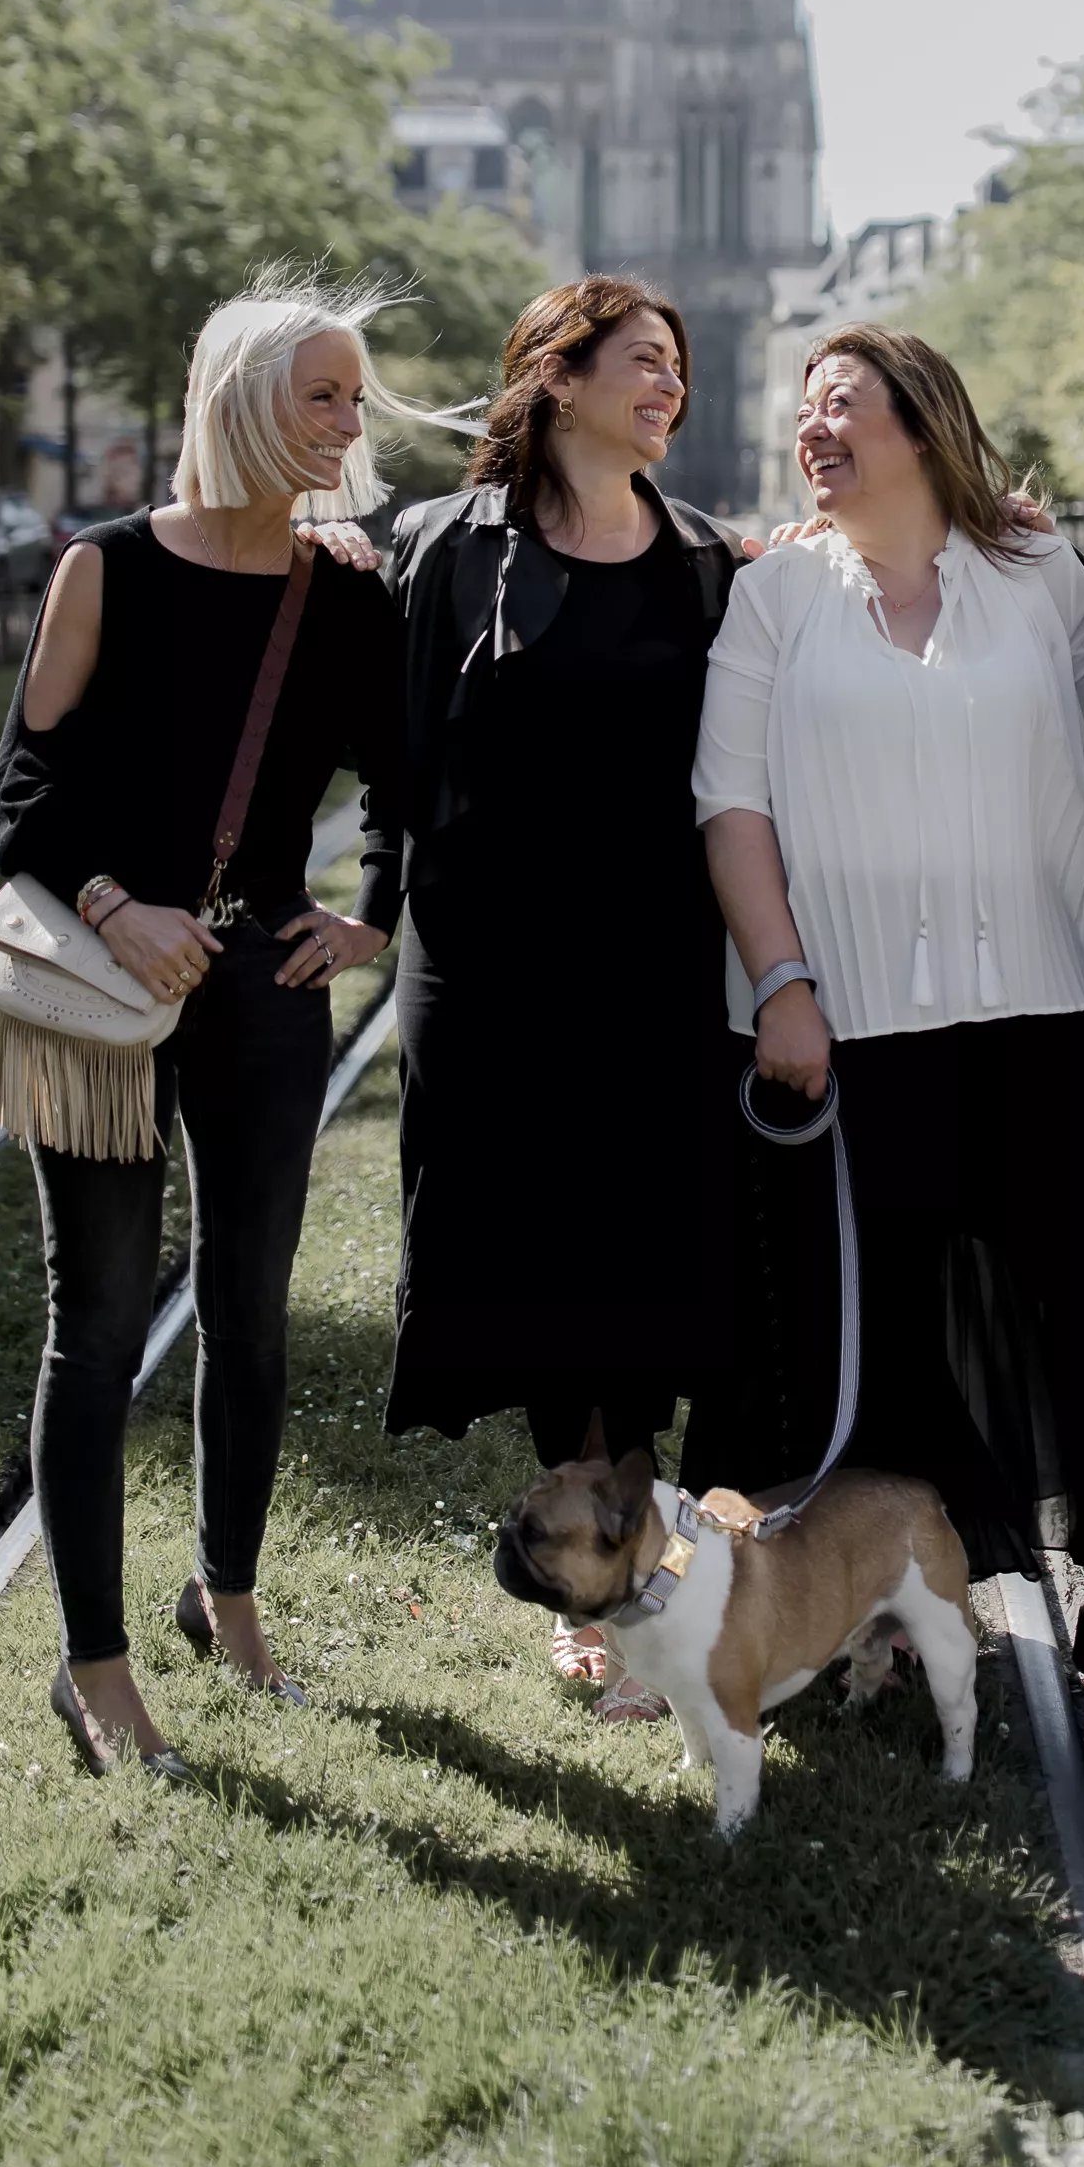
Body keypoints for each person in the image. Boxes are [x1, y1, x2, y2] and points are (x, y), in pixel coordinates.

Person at [690, 325, 1084, 1712]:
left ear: (921, 423)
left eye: (845, 404)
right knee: (873, 1338)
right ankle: (874, 1612)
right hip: (850, 1032)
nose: (817, 428)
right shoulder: (776, 597)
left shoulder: (1037, 573)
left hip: (1033, 1017)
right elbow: (730, 806)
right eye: (805, 408)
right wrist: (782, 986)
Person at [0, 271, 420, 1777]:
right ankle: (94, 1672)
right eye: (325, 394)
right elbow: (21, 803)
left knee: (250, 1314)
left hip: (263, 992)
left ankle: (225, 1600)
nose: (350, 424)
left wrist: (375, 911)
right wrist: (116, 905)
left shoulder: (351, 590)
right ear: (243, 399)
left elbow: (410, 784)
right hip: (103, 995)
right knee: (97, 1327)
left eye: (356, 399)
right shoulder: (103, 569)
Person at [381, 276, 751, 1719]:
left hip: (655, 971)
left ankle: (626, 1548)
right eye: (644, 363)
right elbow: (399, 764)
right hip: (490, 975)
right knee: (535, 1263)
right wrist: (367, 915)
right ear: (559, 379)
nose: (668, 387)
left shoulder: (709, 560)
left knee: (650, 1255)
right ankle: (591, 1554)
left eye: (679, 368)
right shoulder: (445, 552)